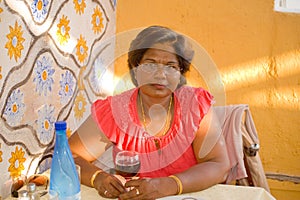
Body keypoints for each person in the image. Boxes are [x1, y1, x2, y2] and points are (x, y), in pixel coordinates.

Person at [68, 25, 230, 200]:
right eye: (150, 64)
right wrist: (98, 178)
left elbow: (218, 164)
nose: (160, 74)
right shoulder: (115, 110)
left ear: (180, 73)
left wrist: (170, 185)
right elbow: (69, 156)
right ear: (135, 68)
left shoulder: (194, 105)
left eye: (170, 66)